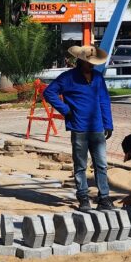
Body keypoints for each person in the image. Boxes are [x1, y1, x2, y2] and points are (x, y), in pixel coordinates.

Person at [44, 45, 115, 211]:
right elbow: (49, 93)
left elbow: (104, 101)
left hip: (97, 127)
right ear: (81, 61)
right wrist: (65, 110)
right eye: (89, 62)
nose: (92, 65)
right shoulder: (67, 78)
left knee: (101, 165)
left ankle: (104, 197)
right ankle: (83, 197)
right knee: (80, 165)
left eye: (94, 62)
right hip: (79, 127)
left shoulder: (98, 78)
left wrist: (108, 123)